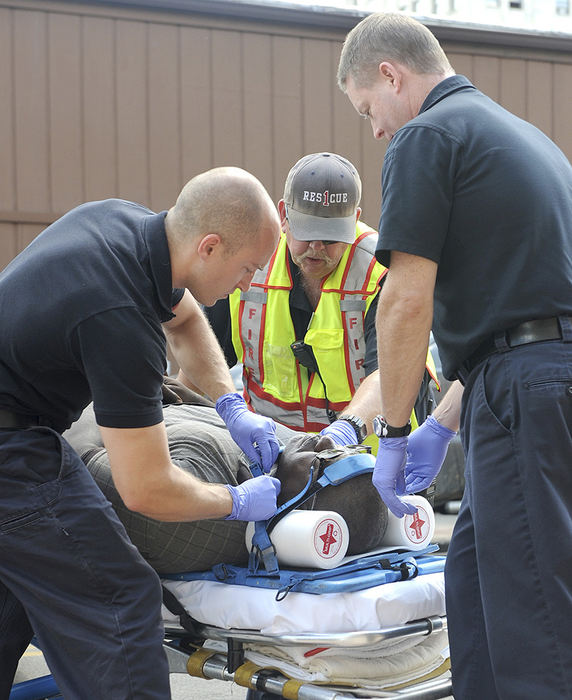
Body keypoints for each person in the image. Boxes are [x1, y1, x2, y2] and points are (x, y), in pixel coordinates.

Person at [337, 12, 572, 699]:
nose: (376, 128)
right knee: (475, 584)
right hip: (534, 381)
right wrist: (443, 422)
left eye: (367, 108)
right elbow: (526, 319)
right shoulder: (525, 139)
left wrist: (397, 429)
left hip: (525, 393)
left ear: (391, 74)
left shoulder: (427, 136)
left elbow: (404, 302)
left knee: (534, 620)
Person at [0, 167, 284, 698]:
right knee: (120, 599)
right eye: (247, 267)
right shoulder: (120, 316)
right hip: (12, 454)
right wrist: (235, 499)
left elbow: (188, 319)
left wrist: (230, 405)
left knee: (20, 588)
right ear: (210, 246)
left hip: (17, 430)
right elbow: (147, 487)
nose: (249, 283)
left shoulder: (122, 225)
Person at [193, 152, 438, 452]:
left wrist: (347, 431)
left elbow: (392, 372)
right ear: (284, 215)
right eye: (306, 233)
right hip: (274, 459)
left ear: (354, 220)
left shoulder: (382, 272)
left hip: (375, 461)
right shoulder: (249, 265)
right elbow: (201, 356)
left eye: (331, 237)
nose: (316, 248)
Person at [64, 377, 389, 574]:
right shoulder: (289, 455)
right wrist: (205, 406)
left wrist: (124, 395)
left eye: (323, 461)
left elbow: (74, 456)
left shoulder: (183, 517)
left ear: (295, 510)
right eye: (348, 450)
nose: (326, 439)